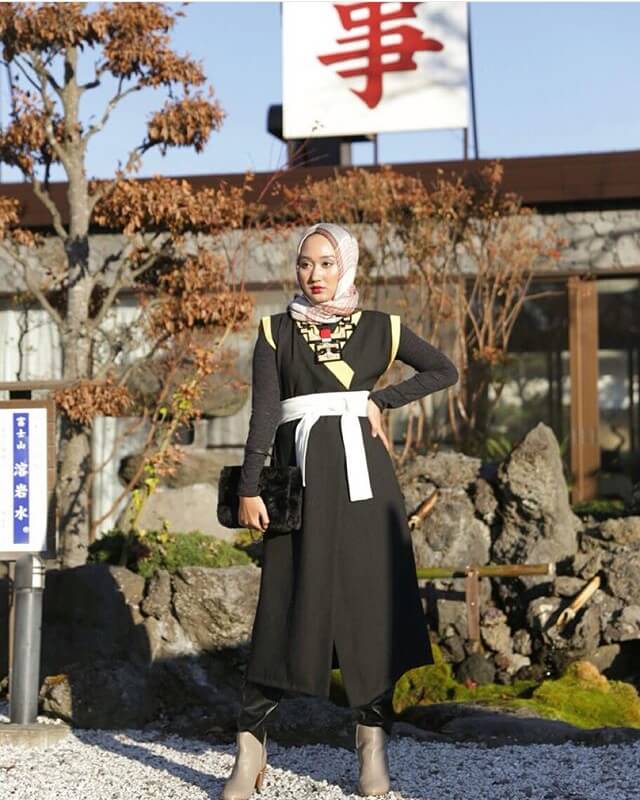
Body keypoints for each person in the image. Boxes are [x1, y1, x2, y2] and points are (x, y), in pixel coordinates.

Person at [221, 222, 458, 799]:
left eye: (327, 263)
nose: (315, 274)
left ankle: (371, 741)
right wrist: (250, 487)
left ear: (347, 265)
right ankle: (250, 747)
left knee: (368, 607)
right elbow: (263, 414)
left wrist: (382, 399)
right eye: (305, 263)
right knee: (282, 604)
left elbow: (443, 369)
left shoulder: (382, 326)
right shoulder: (276, 330)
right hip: (298, 484)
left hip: (365, 487)